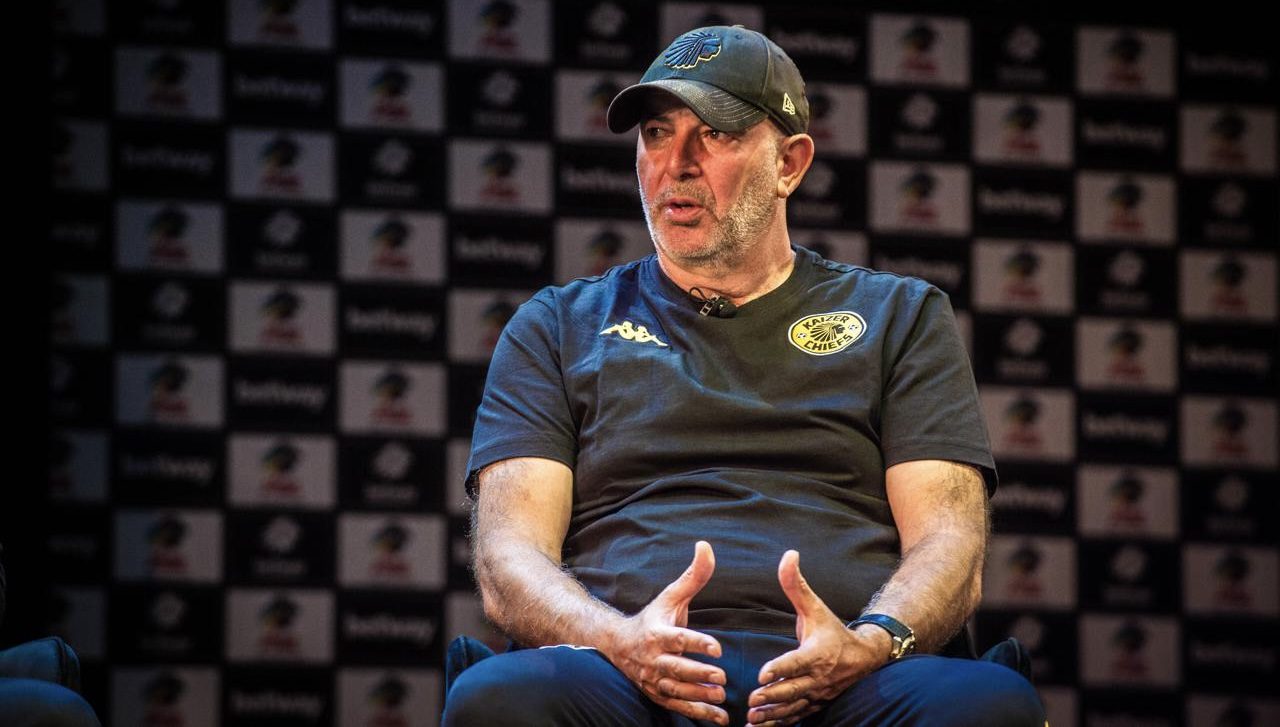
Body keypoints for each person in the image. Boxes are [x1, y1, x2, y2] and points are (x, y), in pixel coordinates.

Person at [444, 25, 1045, 727]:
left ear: (790, 163)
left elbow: (950, 541)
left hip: (852, 682)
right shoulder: (556, 326)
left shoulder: (900, 316)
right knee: (496, 696)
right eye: (657, 134)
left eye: (716, 135)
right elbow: (509, 554)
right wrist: (617, 639)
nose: (676, 164)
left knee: (992, 704)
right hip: (619, 676)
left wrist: (872, 642)